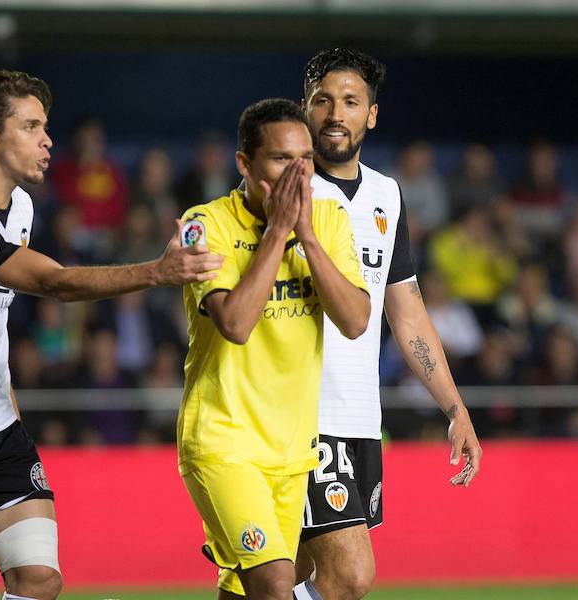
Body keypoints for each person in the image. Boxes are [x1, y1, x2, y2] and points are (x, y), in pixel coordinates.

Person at [0, 69, 223, 600]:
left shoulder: (22, 207)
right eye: (32, 126)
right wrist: (157, 271)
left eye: (46, 126)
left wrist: (9, 405)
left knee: (38, 580)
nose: (48, 140)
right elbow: (51, 283)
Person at [289, 48, 483, 600]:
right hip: (301, 417)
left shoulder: (386, 195)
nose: (335, 113)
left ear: (371, 115)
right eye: (323, 100)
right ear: (305, 107)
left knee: (280, 580)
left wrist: (453, 406)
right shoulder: (282, 186)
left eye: (351, 102)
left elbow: (406, 310)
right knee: (350, 578)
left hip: (359, 419)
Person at [179, 98, 370, 600]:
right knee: (275, 584)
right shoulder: (204, 224)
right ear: (244, 164)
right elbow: (237, 324)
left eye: (305, 159)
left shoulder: (327, 221)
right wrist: (280, 231)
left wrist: (305, 235)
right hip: (223, 441)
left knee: (243, 592)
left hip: (292, 450)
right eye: (282, 160)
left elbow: (355, 321)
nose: (298, 173)